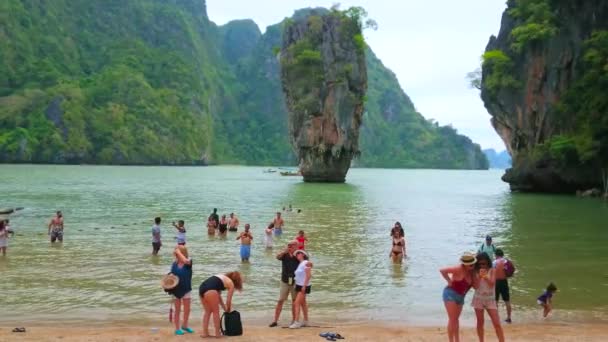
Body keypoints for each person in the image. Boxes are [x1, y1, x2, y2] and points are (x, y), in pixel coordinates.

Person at [440, 252, 477, 342]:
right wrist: (449, 281)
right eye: (470, 264)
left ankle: (457, 340)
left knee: (456, 320)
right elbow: (442, 270)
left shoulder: (472, 272)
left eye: (473, 264)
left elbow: (476, 287)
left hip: (460, 297)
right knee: (452, 319)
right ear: (465, 264)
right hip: (450, 294)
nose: (472, 265)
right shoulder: (458, 268)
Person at [472, 252, 505, 342]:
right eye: (480, 263)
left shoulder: (492, 270)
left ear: (488, 262)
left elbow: (491, 284)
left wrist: (485, 276)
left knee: (497, 323)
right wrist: (479, 277)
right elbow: (475, 286)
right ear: (477, 263)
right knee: (480, 323)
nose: (482, 266)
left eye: (484, 263)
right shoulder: (475, 271)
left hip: (490, 299)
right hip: (478, 299)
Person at [199, 272, 243, 338]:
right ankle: (217, 333)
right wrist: (228, 310)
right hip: (211, 291)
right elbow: (228, 301)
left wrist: (225, 308)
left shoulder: (221, 278)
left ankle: (205, 333)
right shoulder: (231, 284)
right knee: (216, 312)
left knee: (207, 312)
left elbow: (219, 297)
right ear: (237, 281)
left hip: (202, 288)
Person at [269, 241, 299, 327]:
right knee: (280, 300)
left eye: (292, 246)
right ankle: (275, 320)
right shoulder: (284, 255)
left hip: (295, 281)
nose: (290, 247)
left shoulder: (298, 255)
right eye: (289, 245)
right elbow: (277, 257)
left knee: (294, 301)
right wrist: (284, 251)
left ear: (296, 246)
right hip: (284, 280)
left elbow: (305, 261)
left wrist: (296, 253)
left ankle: (294, 320)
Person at [170, 246, 194, 335]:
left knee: (187, 309)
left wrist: (179, 252)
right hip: (176, 290)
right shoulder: (174, 264)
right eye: (176, 254)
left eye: (178, 253)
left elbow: (186, 261)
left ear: (183, 253)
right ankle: (177, 328)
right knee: (177, 310)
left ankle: (185, 325)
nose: (176, 255)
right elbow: (172, 275)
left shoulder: (189, 261)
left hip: (186, 288)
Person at [289, 250, 313, 329]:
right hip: (299, 285)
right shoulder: (300, 264)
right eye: (297, 254)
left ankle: (296, 322)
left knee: (296, 303)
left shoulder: (306, 262)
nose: (298, 255)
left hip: (304, 286)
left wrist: (304, 286)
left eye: (299, 253)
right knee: (303, 303)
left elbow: (309, 275)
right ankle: (306, 321)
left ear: (303, 255)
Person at [493, 249, 512, 323]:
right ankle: (509, 317)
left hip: (496, 282)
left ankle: (496, 318)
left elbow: (491, 273)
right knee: (507, 301)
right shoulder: (506, 261)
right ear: (502, 254)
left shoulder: (494, 262)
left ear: (496, 255)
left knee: (495, 301)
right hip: (504, 282)